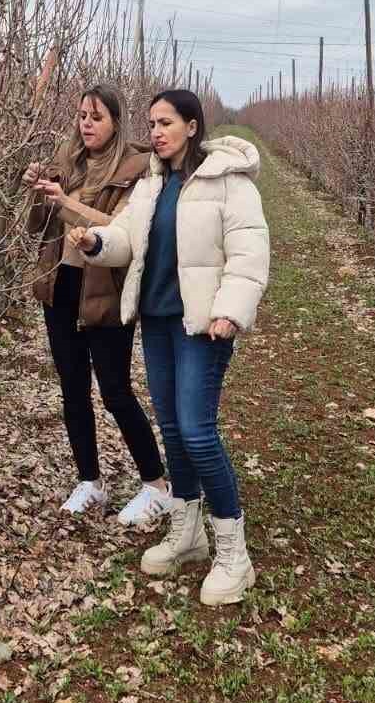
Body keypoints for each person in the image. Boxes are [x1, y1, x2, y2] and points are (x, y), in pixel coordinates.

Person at [69, 90, 269, 605]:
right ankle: (188, 532)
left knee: (199, 432)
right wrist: (95, 243)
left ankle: (233, 554)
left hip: (202, 325)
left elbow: (249, 252)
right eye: (152, 123)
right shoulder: (152, 183)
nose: (155, 132)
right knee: (175, 430)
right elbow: (125, 239)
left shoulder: (228, 181)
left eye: (166, 123)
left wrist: (230, 310)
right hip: (157, 322)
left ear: (193, 126)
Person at [25, 84, 172, 527]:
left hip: (103, 289)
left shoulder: (136, 167)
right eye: (82, 115)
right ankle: (90, 480)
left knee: (114, 391)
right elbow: (37, 229)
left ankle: (157, 485)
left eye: (97, 117)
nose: (86, 124)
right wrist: (37, 191)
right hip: (61, 285)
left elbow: (121, 230)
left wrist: (64, 201)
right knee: (72, 389)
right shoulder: (65, 161)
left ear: (116, 122)